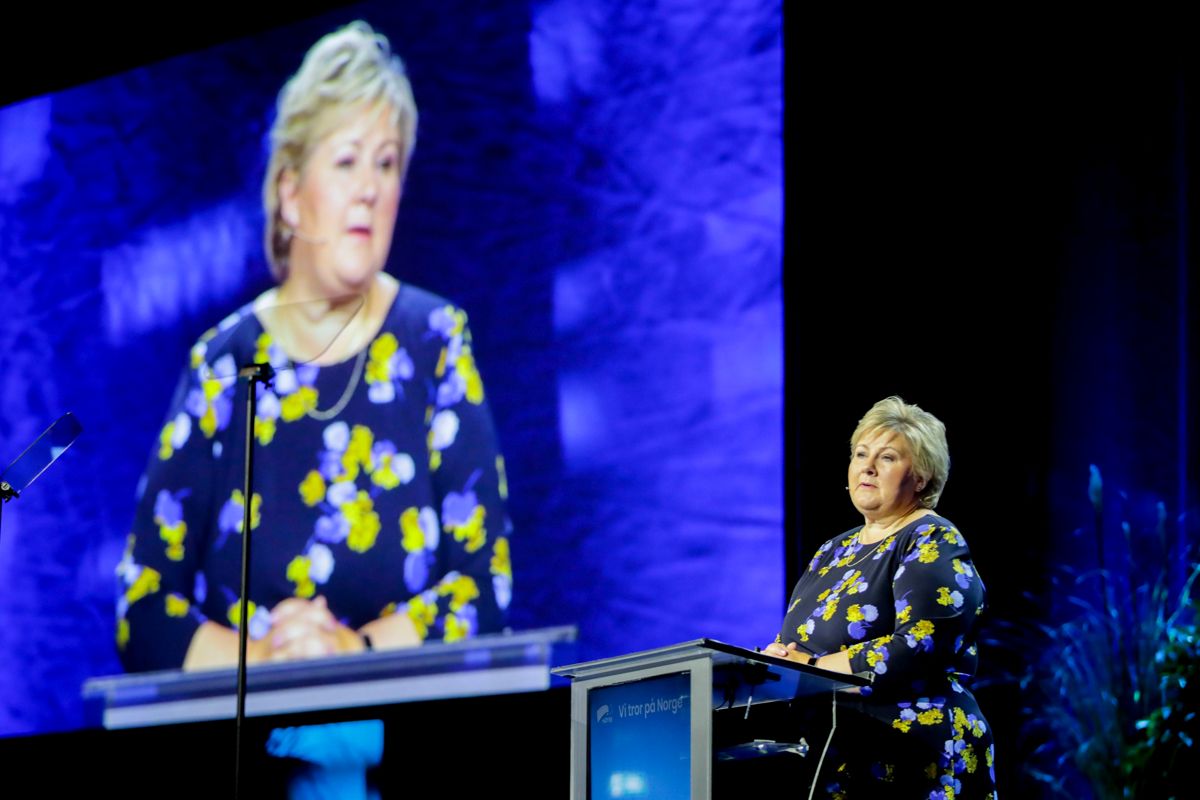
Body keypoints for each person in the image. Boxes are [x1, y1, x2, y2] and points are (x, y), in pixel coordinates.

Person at [116, 21, 513, 673]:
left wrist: (349, 653)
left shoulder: (435, 339)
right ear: (291, 195)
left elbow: (486, 586)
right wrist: (268, 660)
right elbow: (141, 606)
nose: (371, 189)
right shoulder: (222, 364)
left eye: (387, 164)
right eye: (348, 160)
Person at [762, 397, 996, 797]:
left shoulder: (931, 538)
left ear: (920, 477)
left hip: (914, 755)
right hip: (838, 753)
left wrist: (812, 669)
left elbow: (919, 646)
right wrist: (775, 661)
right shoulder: (832, 551)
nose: (867, 466)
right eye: (860, 454)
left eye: (886, 457)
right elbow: (798, 643)